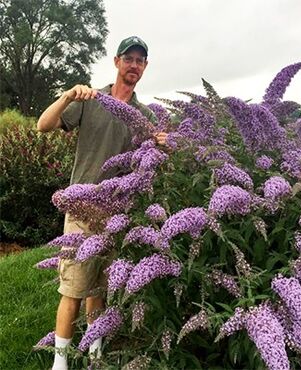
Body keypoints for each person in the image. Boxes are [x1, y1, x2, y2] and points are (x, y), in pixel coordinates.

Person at [37, 36, 167, 370]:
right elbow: (43, 126)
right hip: (82, 208)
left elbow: (148, 164)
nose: (134, 65)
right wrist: (67, 96)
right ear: (117, 62)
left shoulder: (141, 116)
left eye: (140, 60)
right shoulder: (90, 99)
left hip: (118, 213)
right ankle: (60, 363)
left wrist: (160, 143)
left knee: (100, 287)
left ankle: (95, 350)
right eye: (129, 59)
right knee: (73, 289)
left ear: (145, 67)